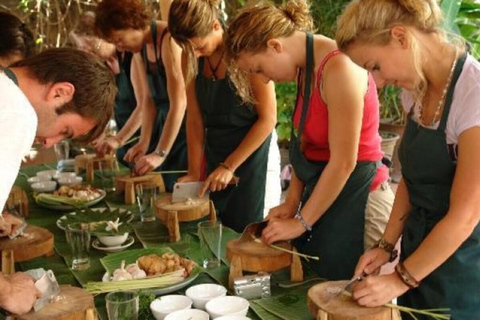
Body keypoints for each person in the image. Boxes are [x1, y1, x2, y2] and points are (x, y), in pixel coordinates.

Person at [225, 0, 393, 280]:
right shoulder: (305, 67)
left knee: (346, 296)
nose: (263, 80)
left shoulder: (339, 67)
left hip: (363, 200)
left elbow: (343, 162)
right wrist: (292, 202)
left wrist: (301, 221)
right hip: (328, 196)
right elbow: (305, 146)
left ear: (275, 46)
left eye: (258, 69)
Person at [336, 0, 480, 318]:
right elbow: (411, 181)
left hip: (462, 267)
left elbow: (465, 216)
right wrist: (386, 247)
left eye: (374, 66)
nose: (378, 81)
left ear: (401, 37)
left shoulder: (474, 95)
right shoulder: (413, 90)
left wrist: (400, 279)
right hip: (416, 255)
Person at [0, 48, 116, 314]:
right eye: (65, 131)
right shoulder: (17, 113)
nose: (50, 142)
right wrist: (8, 291)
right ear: (60, 92)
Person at [168, 0, 279, 232]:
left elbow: (268, 119)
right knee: (217, 231)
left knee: (250, 233)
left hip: (254, 154)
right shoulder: (190, 56)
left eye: (200, 47)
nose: (195, 54)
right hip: (216, 152)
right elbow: (195, 119)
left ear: (216, 26)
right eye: (189, 48)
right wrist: (194, 172)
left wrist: (229, 166)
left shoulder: (245, 51)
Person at [95, 0, 188, 191]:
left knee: (183, 191)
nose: (119, 48)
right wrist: (143, 143)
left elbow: (179, 104)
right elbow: (147, 101)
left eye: (119, 39)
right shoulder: (140, 49)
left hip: (186, 129)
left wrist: (160, 152)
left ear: (132, 23)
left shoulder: (169, 41)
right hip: (166, 126)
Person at [70, 12, 144, 167]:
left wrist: (118, 139)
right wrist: (100, 130)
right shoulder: (105, 65)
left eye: (86, 47)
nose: (86, 54)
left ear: (96, 39)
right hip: (126, 140)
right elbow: (107, 104)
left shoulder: (133, 55)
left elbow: (144, 107)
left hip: (147, 138)